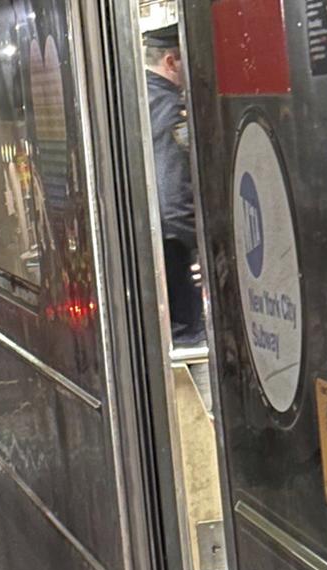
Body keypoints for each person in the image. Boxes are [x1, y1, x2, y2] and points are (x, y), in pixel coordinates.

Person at [144, 23, 205, 346]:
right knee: (192, 342)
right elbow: (174, 195)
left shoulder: (141, 98)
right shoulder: (169, 108)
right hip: (176, 254)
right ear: (170, 61)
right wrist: (202, 246)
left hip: (152, 249)